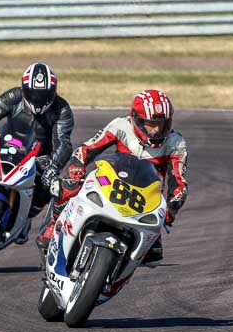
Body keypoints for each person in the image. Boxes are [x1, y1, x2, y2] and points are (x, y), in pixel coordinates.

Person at [36, 89, 188, 266]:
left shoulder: (176, 143)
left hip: (146, 198)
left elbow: (179, 183)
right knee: (69, 186)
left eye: (161, 123)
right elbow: (86, 149)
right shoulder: (121, 125)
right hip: (111, 182)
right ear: (136, 119)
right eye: (150, 123)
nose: (156, 129)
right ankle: (53, 226)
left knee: (153, 255)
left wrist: (171, 209)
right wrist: (77, 166)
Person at [0, 63, 74, 242]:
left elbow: (63, 142)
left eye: (43, 95)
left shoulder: (61, 109)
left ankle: (27, 217)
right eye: (33, 94)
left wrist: (54, 166)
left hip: (37, 156)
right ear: (24, 90)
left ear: (53, 93)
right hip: (7, 143)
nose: (38, 99)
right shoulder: (13, 96)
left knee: (48, 185)